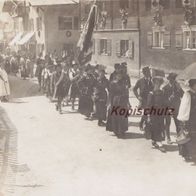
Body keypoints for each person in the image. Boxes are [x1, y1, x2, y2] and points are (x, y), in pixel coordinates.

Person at [177, 79, 196, 162]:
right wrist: (183, 119)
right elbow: (184, 107)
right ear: (192, 85)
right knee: (188, 136)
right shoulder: (188, 94)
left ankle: (193, 154)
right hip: (189, 118)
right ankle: (187, 154)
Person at [106, 71, 129, 138]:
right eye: (118, 75)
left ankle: (122, 130)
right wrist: (110, 103)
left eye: (120, 75)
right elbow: (111, 94)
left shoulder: (124, 83)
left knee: (122, 116)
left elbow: (126, 93)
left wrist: (128, 103)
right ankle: (116, 130)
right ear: (116, 76)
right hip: (115, 101)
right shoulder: (113, 83)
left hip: (123, 101)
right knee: (116, 116)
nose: (119, 77)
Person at [163, 73, 184, 144]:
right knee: (168, 122)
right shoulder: (165, 88)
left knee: (177, 123)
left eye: (174, 79)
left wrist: (179, 89)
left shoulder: (177, 87)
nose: (173, 81)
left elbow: (183, 96)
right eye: (172, 79)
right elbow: (163, 100)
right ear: (169, 80)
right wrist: (169, 99)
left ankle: (179, 137)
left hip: (176, 108)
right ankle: (168, 138)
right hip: (168, 107)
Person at [146, 76, 166, 153]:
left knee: (160, 127)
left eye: (159, 83)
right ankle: (159, 143)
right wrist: (148, 116)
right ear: (154, 84)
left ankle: (155, 141)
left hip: (161, 113)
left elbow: (164, 103)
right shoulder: (151, 93)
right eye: (156, 83)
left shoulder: (162, 93)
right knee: (155, 127)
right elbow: (148, 105)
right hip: (153, 114)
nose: (157, 85)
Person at [133, 66, 153, 131]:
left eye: (149, 72)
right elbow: (134, 89)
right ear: (144, 73)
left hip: (151, 99)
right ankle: (142, 124)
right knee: (146, 113)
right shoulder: (140, 81)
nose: (148, 74)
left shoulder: (152, 80)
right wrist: (138, 96)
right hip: (143, 100)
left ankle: (145, 125)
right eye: (146, 73)